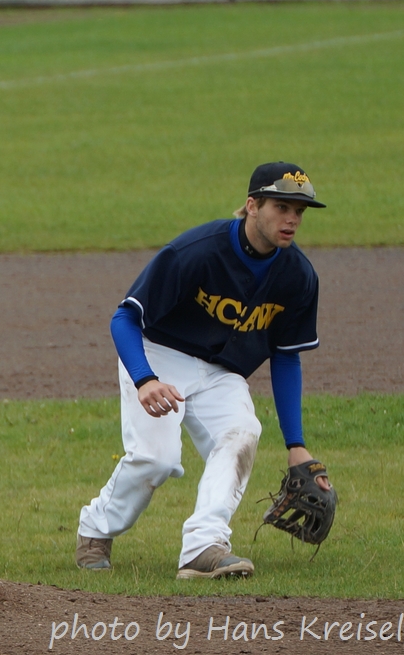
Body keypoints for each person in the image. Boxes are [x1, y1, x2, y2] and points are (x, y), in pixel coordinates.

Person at [75, 162, 332, 579]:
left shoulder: (298, 276)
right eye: (282, 207)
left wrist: (296, 444)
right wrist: (145, 379)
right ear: (252, 205)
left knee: (241, 435)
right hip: (158, 355)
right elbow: (125, 318)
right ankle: (95, 529)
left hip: (222, 372)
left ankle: (204, 546)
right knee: (156, 459)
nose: (292, 219)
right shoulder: (197, 252)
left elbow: (286, 356)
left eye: (299, 211)